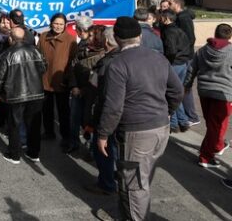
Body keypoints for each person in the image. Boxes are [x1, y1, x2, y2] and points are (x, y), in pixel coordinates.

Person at [97, 16, 183, 221]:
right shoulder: (158, 57)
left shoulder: (118, 64)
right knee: (139, 179)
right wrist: (167, 111)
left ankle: (135, 216)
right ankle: (128, 214)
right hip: (160, 127)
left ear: (116, 38)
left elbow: (113, 106)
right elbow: (177, 91)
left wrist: (102, 133)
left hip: (137, 132)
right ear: (140, 36)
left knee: (135, 184)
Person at [0, 27, 46, 164]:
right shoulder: (35, 51)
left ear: (11, 38)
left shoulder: (6, 54)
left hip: (15, 94)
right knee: (33, 125)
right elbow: (43, 68)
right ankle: (33, 153)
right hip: (36, 93)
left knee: (14, 125)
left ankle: (14, 155)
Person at [185, 23, 232, 168]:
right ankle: (207, 155)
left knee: (212, 124)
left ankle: (216, 146)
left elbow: (192, 69)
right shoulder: (230, 51)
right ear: (229, 36)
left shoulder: (203, 50)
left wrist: (187, 85)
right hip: (223, 93)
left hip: (204, 91)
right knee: (217, 126)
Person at [85, 27, 120, 196]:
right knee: (114, 148)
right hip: (122, 112)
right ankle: (113, 177)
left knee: (103, 149)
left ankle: (106, 184)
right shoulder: (125, 58)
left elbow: (96, 90)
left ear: (106, 41)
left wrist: (90, 118)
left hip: (106, 111)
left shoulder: (106, 63)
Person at [37, 13, 77, 148]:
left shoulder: (70, 40)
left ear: (65, 25)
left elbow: (73, 62)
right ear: (51, 23)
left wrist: (68, 80)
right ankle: (49, 132)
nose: (58, 26)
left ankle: (66, 137)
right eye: (56, 23)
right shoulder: (43, 37)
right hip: (45, 79)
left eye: (61, 24)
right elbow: (37, 56)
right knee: (46, 109)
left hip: (61, 80)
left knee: (63, 111)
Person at [69, 20, 106, 153]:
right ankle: (74, 143)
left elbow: (95, 81)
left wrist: (83, 90)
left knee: (89, 122)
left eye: (91, 36)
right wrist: (74, 86)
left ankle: (91, 148)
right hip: (77, 90)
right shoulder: (83, 48)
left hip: (90, 95)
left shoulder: (103, 57)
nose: (87, 38)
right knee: (74, 119)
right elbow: (72, 67)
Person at [159, 9, 192, 133]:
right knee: (177, 93)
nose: (160, 19)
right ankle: (182, 121)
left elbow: (171, 50)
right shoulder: (178, 30)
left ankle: (174, 124)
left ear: (166, 18)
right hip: (182, 63)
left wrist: (166, 62)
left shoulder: (169, 31)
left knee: (171, 93)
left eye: (162, 17)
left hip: (174, 64)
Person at [170, 0, 200, 125]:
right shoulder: (180, 17)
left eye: (170, 4)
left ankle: (192, 116)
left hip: (185, 58)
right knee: (182, 87)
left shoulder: (183, 18)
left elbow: (190, 38)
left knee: (184, 87)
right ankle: (188, 115)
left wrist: (182, 53)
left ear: (177, 4)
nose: (169, 6)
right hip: (184, 57)